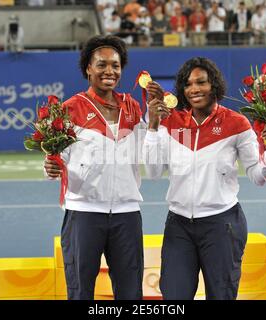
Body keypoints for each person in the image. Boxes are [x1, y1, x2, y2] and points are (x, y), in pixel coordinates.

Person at [142, 57, 266, 300]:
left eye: (201, 82)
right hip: (179, 226)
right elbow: (153, 173)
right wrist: (153, 127)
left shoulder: (236, 124)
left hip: (222, 226)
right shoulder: (173, 122)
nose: (194, 89)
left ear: (214, 85)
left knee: (221, 296)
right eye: (188, 84)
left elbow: (258, 177)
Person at [44, 35, 163, 300]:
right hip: (84, 214)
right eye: (102, 65)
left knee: (131, 293)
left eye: (116, 65)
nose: (109, 71)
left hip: (127, 214)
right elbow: (54, 159)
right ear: (88, 68)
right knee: (80, 292)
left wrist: (153, 124)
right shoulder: (70, 109)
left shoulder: (132, 108)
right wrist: (49, 167)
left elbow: (150, 160)